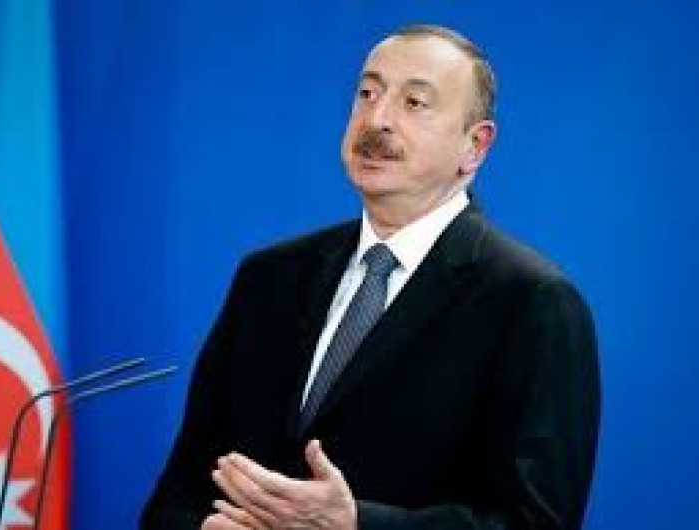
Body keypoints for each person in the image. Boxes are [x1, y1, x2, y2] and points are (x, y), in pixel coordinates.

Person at [140, 24, 601, 530]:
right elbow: (179, 493)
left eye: (414, 103)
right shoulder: (267, 279)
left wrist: (356, 523)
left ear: (475, 146)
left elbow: (537, 522)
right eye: (367, 93)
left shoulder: (532, 303)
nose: (377, 119)